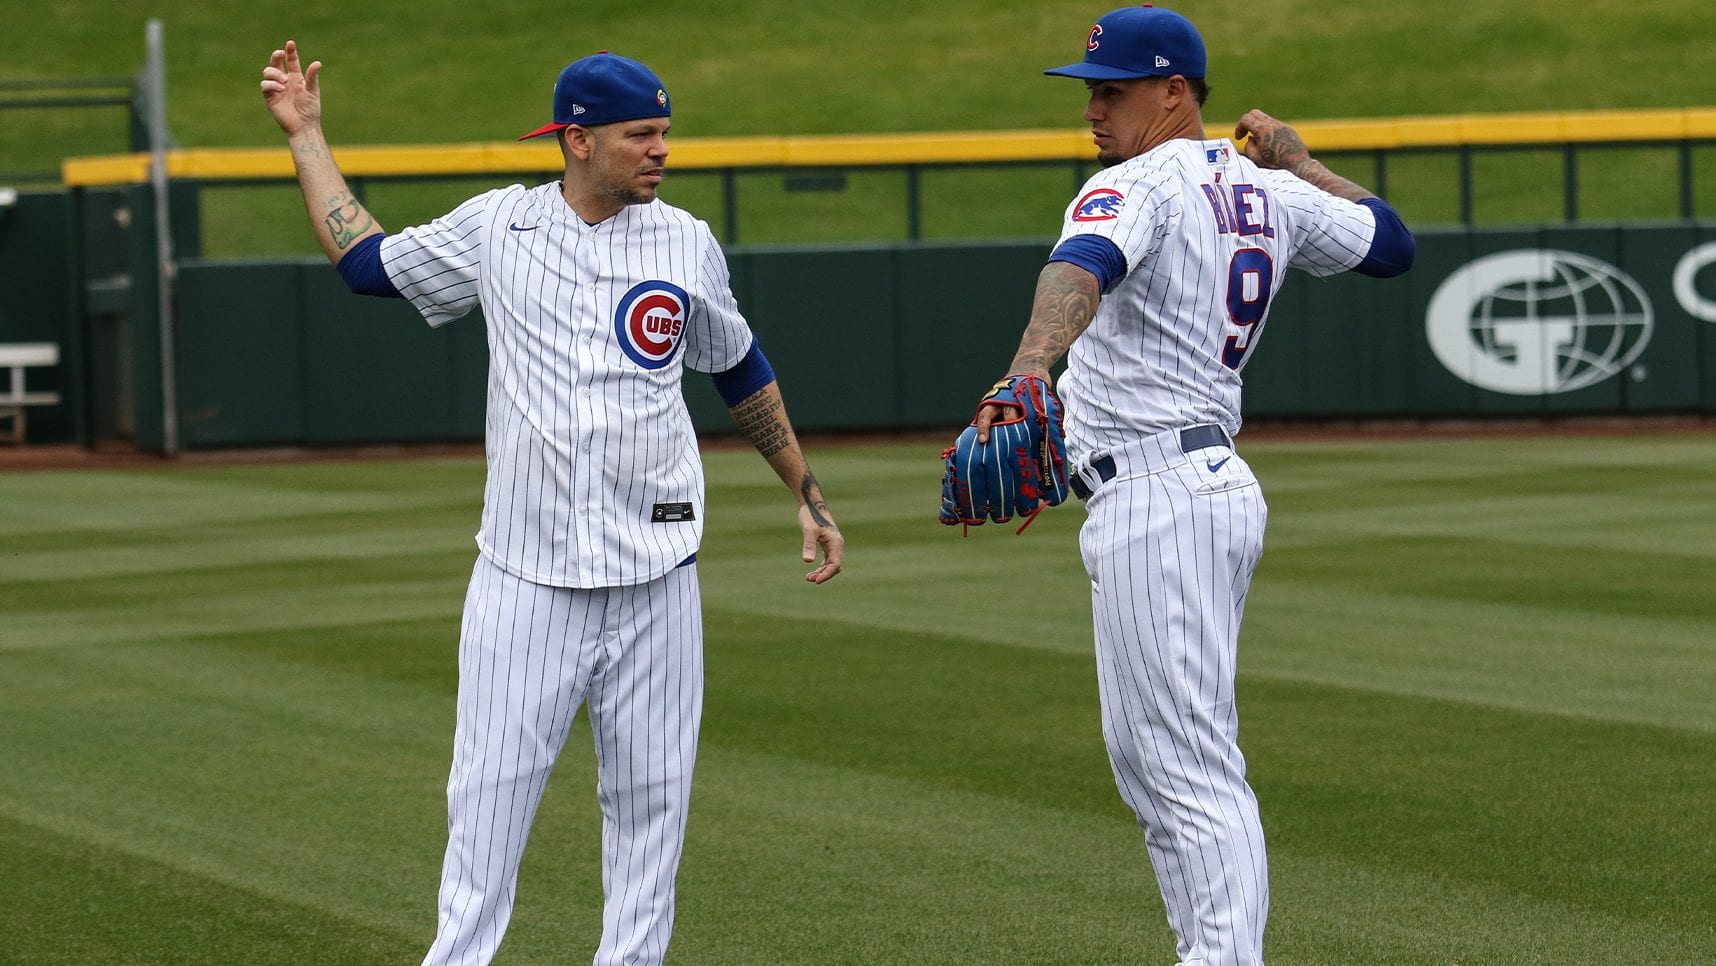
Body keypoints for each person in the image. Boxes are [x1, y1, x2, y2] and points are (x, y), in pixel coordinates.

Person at [261, 42, 844, 966]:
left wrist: (806, 493)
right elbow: (367, 264)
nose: (660, 150)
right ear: (576, 140)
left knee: (653, 809)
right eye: (639, 135)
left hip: (659, 577)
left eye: (664, 133)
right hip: (526, 583)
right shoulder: (500, 228)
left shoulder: (685, 239)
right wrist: (307, 136)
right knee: (488, 803)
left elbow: (739, 367)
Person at [968, 7, 1414, 964]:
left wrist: (1029, 370)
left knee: (1186, 771)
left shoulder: (1134, 182)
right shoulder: (1266, 189)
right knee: (1158, 763)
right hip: (1193, 483)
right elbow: (1388, 241)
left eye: (1113, 89)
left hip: (1162, 493)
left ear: (1175, 92)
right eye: (1091, 88)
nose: (1093, 108)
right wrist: (1298, 160)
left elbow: (1080, 266)